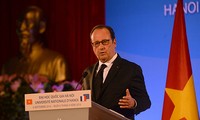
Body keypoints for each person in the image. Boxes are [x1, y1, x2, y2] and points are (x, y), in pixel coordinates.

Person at [82, 25, 151, 119]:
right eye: (96, 43)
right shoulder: (87, 73)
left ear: (114, 42)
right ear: (92, 46)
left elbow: (145, 101)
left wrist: (133, 103)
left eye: (105, 42)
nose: (101, 47)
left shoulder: (131, 69)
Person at [1, 6, 71, 92]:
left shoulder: (57, 62)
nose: (22, 28)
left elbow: (63, 95)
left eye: (28, 22)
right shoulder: (9, 65)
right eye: (20, 23)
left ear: (41, 27)